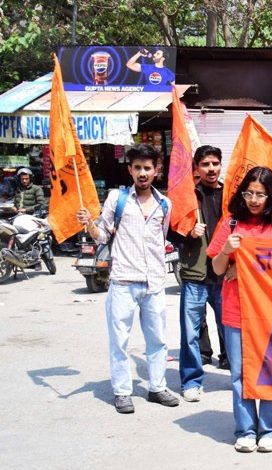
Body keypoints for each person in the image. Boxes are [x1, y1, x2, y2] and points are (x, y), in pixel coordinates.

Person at [76, 144, 179, 414]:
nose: (143, 173)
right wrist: (89, 224)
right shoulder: (117, 199)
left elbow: (162, 237)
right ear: (130, 170)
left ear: (156, 170)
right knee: (119, 341)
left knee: (158, 340)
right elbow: (102, 234)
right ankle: (122, 392)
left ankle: (157, 387)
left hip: (154, 281)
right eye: (138, 168)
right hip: (123, 280)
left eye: (148, 168)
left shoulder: (164, 203)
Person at [207, 166, 272, 453]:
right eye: (249, 193)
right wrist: (226, 252)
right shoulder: (231, 222)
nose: (254, 200)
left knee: (270, 370)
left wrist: (245, 271)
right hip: (235, 309)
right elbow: (218, 269)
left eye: (261, 194)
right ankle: (245, 430)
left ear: (271, 196)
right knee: (239, 374)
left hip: (271, 311)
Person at [177, 145, 228, 403]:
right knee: (190, 333)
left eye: (215, 164)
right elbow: (168, 230)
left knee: (230, 329)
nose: (211, 169)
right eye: (206, 164)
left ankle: (237, 374)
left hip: (225, 274)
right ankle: (191, 381)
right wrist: (186, 231)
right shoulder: (187, 196)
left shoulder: (231, 195)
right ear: (196, 168)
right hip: (195, 275)